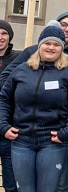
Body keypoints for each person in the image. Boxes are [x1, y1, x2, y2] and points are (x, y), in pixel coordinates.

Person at [0, 12, 68, 192]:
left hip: (52, 141)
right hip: (21, 140)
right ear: (39, 46)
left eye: (56, 44)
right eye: (47, 43)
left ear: (62, 48)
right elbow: (4, 98)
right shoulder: (22, 69)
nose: (51, 48)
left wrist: (67, 132)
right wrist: (3, 125)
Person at [0, 20, 20, 192]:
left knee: (11, 182)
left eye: (4, 33)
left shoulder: (18, 59)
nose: (0, 37)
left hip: (9, 129)